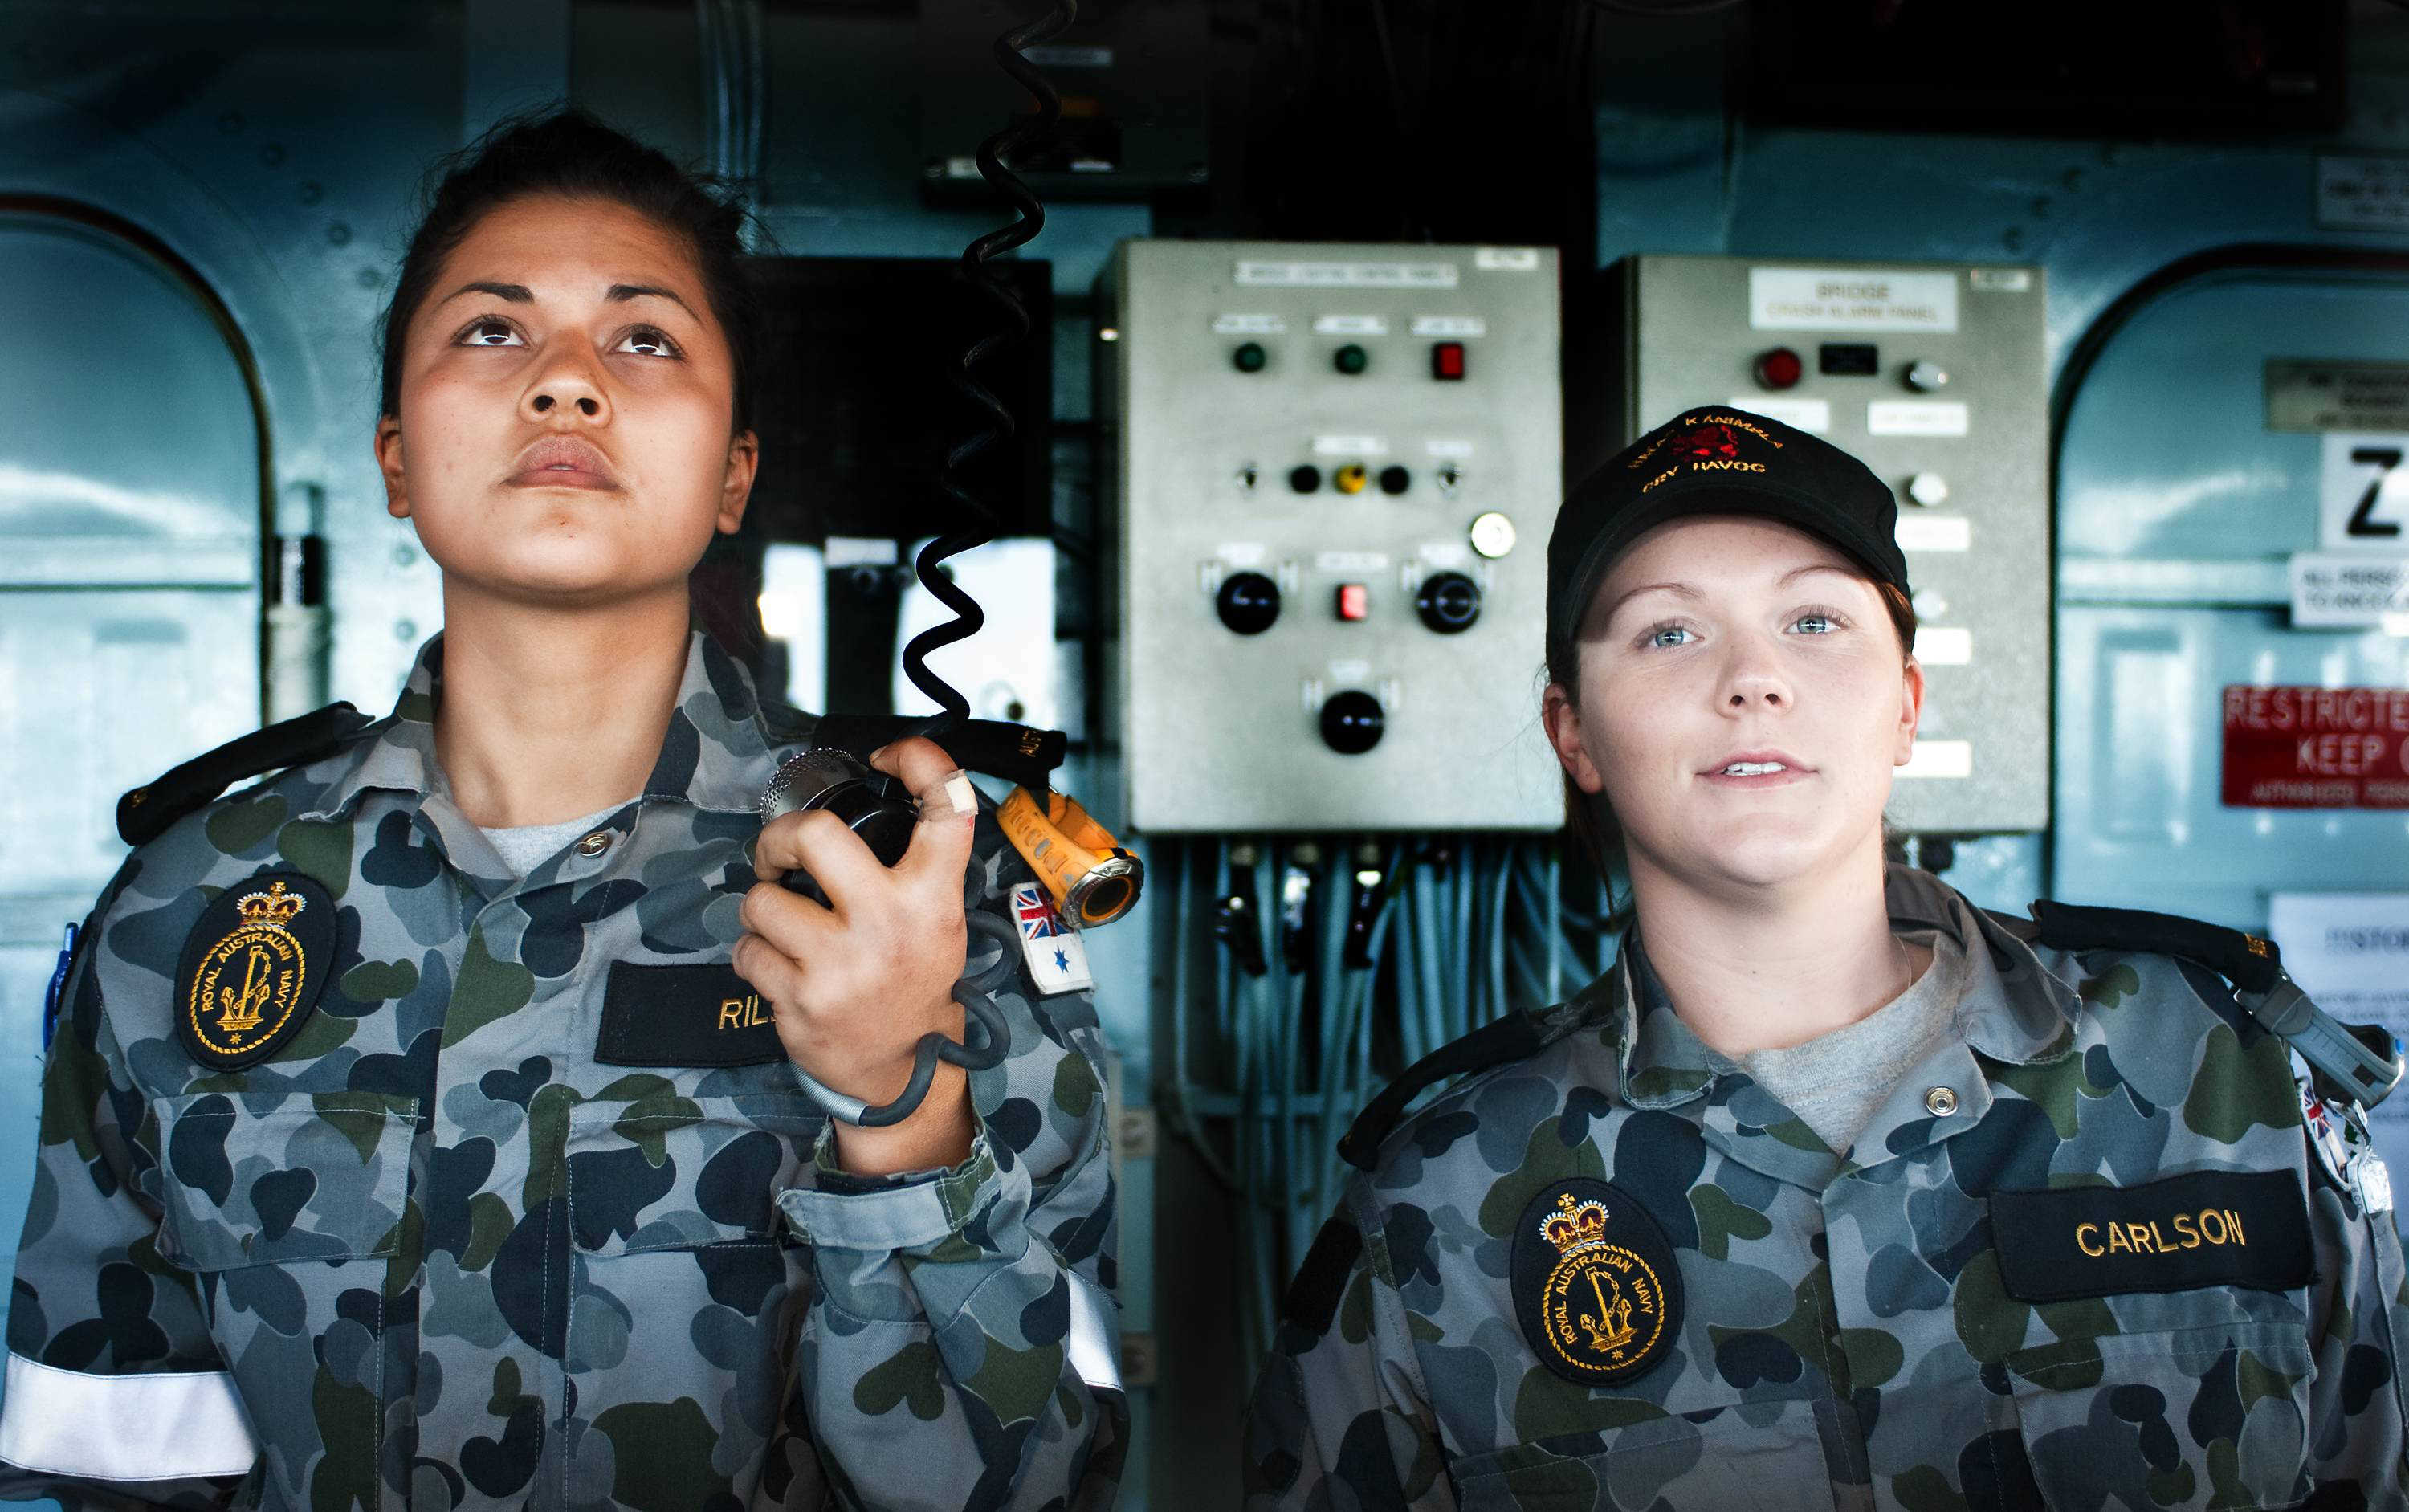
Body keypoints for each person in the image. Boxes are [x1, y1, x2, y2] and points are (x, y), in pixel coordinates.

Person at [0, 109, 1123, 1510]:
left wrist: (896, 1107)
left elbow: (1038, 1485)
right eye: (492, 332)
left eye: (644, 339)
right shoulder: (188, 907)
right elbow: (118, 1447)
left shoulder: (918, 900)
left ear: (734, 477)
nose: (568, 386)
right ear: (398, 458)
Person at [1243, 405, 2409, 1508]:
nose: (1753, 678)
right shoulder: (1439, 1192)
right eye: (1668, 631)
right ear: (1574, 732)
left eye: (1814, 619)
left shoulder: (2217, 1074)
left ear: (1905, 703)